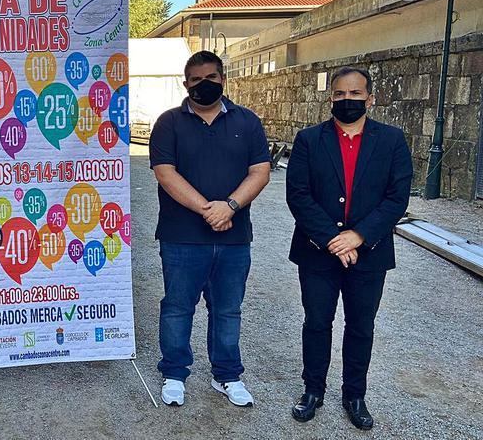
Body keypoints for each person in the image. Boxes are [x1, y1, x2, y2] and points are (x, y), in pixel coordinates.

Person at [286, 67, 412, 430]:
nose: (347, 100)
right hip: (317, 252)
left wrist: (358, 236)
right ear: (331, 98)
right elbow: (298, 193)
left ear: (370, 99)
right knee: (317, 322)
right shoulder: (309, 139)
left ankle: (354, 395)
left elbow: (396, 197)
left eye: (355, 94)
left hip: (369, 254)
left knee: (361, 326)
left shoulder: (391, 140)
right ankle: (313, 390)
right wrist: (330, 238)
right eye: (340, 94)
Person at [149, 50, 271, 408]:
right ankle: (174, 372)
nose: (204, 85)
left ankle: (228, 375)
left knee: (228, 309)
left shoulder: (247, 122)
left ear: (224, 79)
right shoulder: (168, 123)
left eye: (211, 78)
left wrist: (229, 206)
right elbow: (165, 173)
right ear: (185, 84)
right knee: (177, 307)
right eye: (196, 80)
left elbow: (260, 171)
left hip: (234, 239)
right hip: (181, 237)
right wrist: (209, 210)